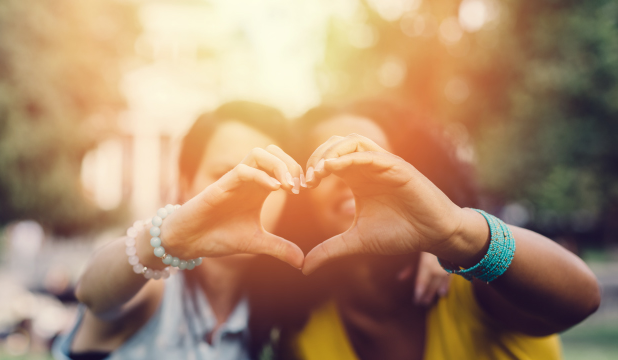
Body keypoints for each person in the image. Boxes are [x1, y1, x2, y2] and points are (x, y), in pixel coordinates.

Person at [53, 100, 450, 360]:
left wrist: (430, 246)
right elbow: (93, 291)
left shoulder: (284, 309)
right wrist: (166, 239)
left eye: (265, 178)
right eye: (222, 174)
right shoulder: (155, 288)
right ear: (186, 182)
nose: (240, 193)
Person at [287, 99, 601, 360]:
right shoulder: (302, 328)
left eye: (366, 158)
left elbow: (582, 300)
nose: (349, 176)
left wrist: (455, 234)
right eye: (326, 163)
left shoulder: (467, 277)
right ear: (301, 196)